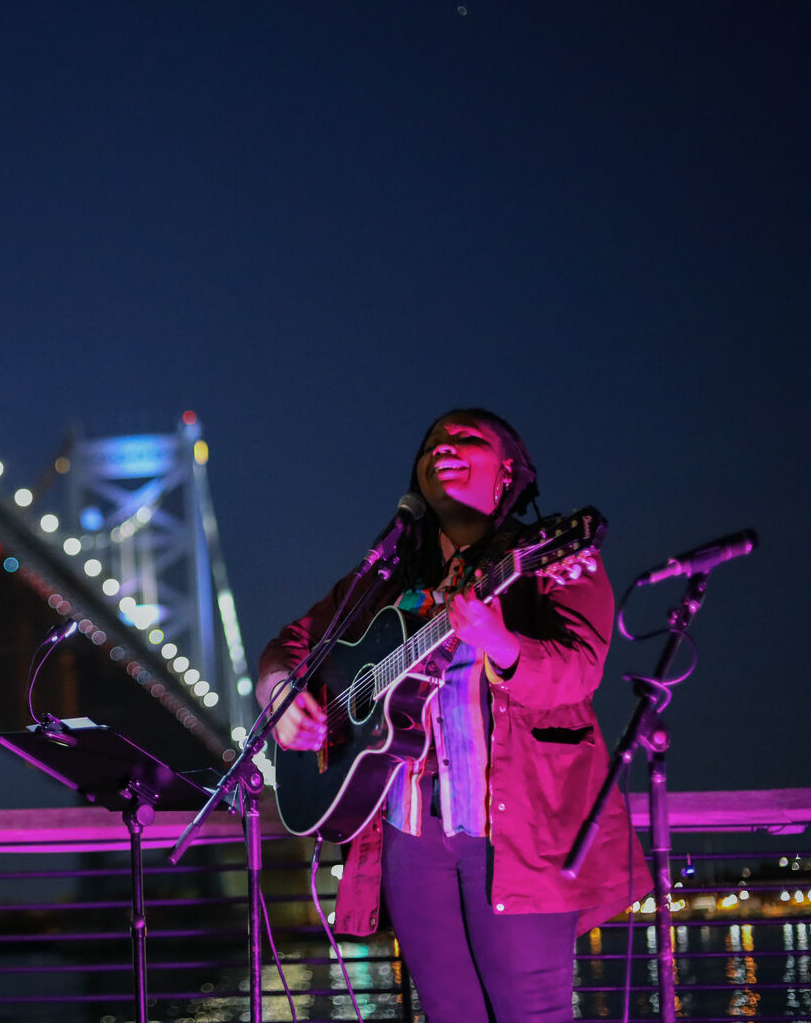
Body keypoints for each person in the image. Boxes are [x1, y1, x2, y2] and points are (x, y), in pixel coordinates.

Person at [255, 409, 651, 1023]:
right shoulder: (383, 582)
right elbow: (291, 643)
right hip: (410, 829)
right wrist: (280, 692)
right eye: (433, 442)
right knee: (449, 1011)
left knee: (531, 1010)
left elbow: (578, 671)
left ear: (508, 473)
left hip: (515, 827)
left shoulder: (548, 556)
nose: (445, 446)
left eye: (469, 439)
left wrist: (502, 642)